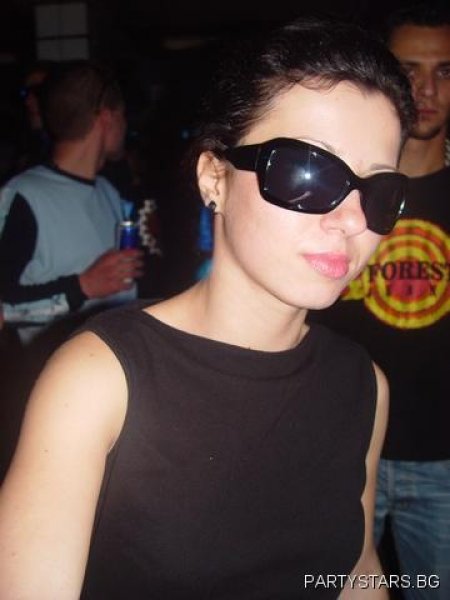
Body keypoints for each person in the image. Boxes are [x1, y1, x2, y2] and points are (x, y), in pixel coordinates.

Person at [0, 17, 414, 599]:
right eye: (306, 170)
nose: (351, 219)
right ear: (214, 177)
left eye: (379, 191)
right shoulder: (99, 379)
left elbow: (356, 571)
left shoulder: (363, 384)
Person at [309, 5, 450, 598]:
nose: (426, 89)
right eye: (409, 69)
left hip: (441, 463)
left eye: (444, 71)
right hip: (336, 451)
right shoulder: (332, 193)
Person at [0, 61, 143, 350]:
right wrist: (83, 286)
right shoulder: (24, 195)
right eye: (122, 114)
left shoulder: (109, 192)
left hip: (117, 363)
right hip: (48, 369)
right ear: (106, 117)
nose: (126, 125)